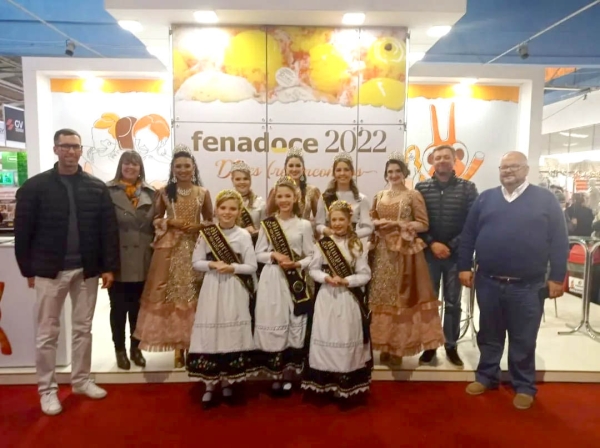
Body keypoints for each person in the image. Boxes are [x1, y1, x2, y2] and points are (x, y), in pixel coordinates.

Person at [14, 128, 119, 416]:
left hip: (87, 270)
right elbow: (23, 231)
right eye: (65, 146)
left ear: (81, 150)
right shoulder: (35, 187)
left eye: (75, 146)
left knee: (83, 329)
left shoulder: (96, 187)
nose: (71, 151)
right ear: (56, 149)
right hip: (49, 271)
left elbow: (108, 230)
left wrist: (108, 267)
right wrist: (28, 269)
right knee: (47, 333)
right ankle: (47, 390)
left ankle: (81, 381)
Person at [458, 151, 569, 410]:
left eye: (514, 166)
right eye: (504, 167)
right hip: (488, 281)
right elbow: (468, 235)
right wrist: (464, 266)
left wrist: (557, 277)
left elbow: (559, 241)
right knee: (489, 334)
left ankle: (524, 385)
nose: (508, 171)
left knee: (524, 338)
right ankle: (486, 376)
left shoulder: (546, 199)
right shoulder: (486, 198)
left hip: (528, 285)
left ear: (526, 170)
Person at [134, 145, 213, 368]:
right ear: (173, 169)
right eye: (178, 166)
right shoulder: (164, 192)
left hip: (195, 247)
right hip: (170, 249)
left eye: (187, 166)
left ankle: (194, 345)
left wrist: (198, 226)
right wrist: (171, 221)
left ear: (193, 167)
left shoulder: (203, 193)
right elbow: (156, 219)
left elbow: (210, 221)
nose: (183, 170)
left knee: (193, 294)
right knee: (171, 295)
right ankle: (178, 348)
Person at [368, 153, 444, 366]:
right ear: (386, 174)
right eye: (390, 172)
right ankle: (384, 344)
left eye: (397, 171)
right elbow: (372, 219)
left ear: (404, 173)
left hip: (404, 253)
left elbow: (423, 224)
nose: (393, 175)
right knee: (382, 297)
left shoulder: (413, 195)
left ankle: (399, 347)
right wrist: (376, 225)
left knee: (401, 298)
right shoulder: (379, 195)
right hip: (382, 253)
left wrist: (400, 224)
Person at [187, 189, 257, 409]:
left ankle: (228, 382)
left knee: (230, 332)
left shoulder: (243, 235)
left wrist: (233, 267)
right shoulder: (207, 234)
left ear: (239, 211)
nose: (227, 212)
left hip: (234, 289)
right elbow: (196, 262)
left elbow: (251, 266)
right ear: (216, 210)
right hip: (212, 287)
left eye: (232, 208)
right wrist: (212, 264)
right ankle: (209, 385)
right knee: (212, 331)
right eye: (223, 208)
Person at [415, 145, 478, 368]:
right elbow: (417, 220)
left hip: (455, 256)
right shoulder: (421, 188)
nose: (442, 160)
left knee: (453, 303)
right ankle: (430, 346)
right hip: (429, 254)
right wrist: (433, 243)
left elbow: (472, 223)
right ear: (432, 161)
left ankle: (451, 346)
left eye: (446, 157)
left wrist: (449, 246)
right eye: (438, 157)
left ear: (454, 161)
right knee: (429, 303)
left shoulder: (468, 188)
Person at [303, 200, 372, 399]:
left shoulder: (357, 244)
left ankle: (345, 385)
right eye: (334, 220)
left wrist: (347, 280)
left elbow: (365, 274)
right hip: (326, 296)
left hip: (348, 299)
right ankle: (325, 385)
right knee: (326, 334)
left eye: (341, 219)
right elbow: (313, 269)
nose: (338, 223)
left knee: (345, 335)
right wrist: (326, 278)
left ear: (349, 221)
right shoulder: (322, 244)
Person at [252, 175, 314, 394]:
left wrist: (297, 263)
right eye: (280, 196)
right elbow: (257, 254)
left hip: (294, 281)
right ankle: (275, 373)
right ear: (275, 199)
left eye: (288, 196)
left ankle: (289, 373)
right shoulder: (267, 224)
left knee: (293, 321)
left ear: (295, 198)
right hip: (272, 279)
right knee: (274, 321)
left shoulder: (304, 225)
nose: (284, 200)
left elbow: (311, 256)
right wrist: (274, 255)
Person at [106, 151, 155, 370]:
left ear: (140, 168)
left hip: (143, 259)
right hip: (118, 259)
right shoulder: (107, 191)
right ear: (120, 166)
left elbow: (155, 225)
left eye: (135, 164)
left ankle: (136, 349)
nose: (131, 167)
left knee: (138, 308)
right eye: (127, 163)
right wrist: (105, 265)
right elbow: (102, 229)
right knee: (118, 309)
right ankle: (120, 350)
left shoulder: (151, 193)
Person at [315, 153, 374, 240]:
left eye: (346, 170)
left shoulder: (361, 199)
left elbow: (368, 228)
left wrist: (351, 235)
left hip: (351, 244)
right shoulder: (325, 197)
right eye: (338, 170)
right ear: (334, 173)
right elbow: (318, 224)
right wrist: (325, 230)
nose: (342, 173)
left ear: (352, 172)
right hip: (330, 244)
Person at [266, 148, 321, 220]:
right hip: (282, 227)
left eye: (298, 166)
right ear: (285, 168)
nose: (294, 169)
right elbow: (268, 216)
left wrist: (308, 225)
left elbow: (320, 218)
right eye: (291, 166)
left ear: (303, 169)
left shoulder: (312, 190)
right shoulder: (276, 190)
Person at [230, 159, 266, 244]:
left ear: (250, 180)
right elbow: (222, 231)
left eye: (245, 179)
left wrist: (256, 233)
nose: (242, 182)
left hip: (255, 245)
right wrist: (244, 231)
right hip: (232, 246)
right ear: (232, 181)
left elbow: (265, 231)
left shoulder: (260, 202)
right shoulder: (226, 202)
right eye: (238, 179)